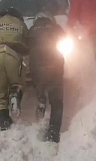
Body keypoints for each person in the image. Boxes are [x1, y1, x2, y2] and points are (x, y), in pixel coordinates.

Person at [0, 7, 29, 131]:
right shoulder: (20, 24)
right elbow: (28, 41)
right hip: (13, 55)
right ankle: (14, 93)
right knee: (17, 82)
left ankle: (2, 119)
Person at [28, 11, 65, 143]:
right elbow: (65, 40)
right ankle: (53, 132)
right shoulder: (56, 28)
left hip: (35, 64)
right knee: (57, 101)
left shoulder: (32, 29)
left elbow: (25, 46)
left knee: (38, 82)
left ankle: (41, 98)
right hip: (54, 64)